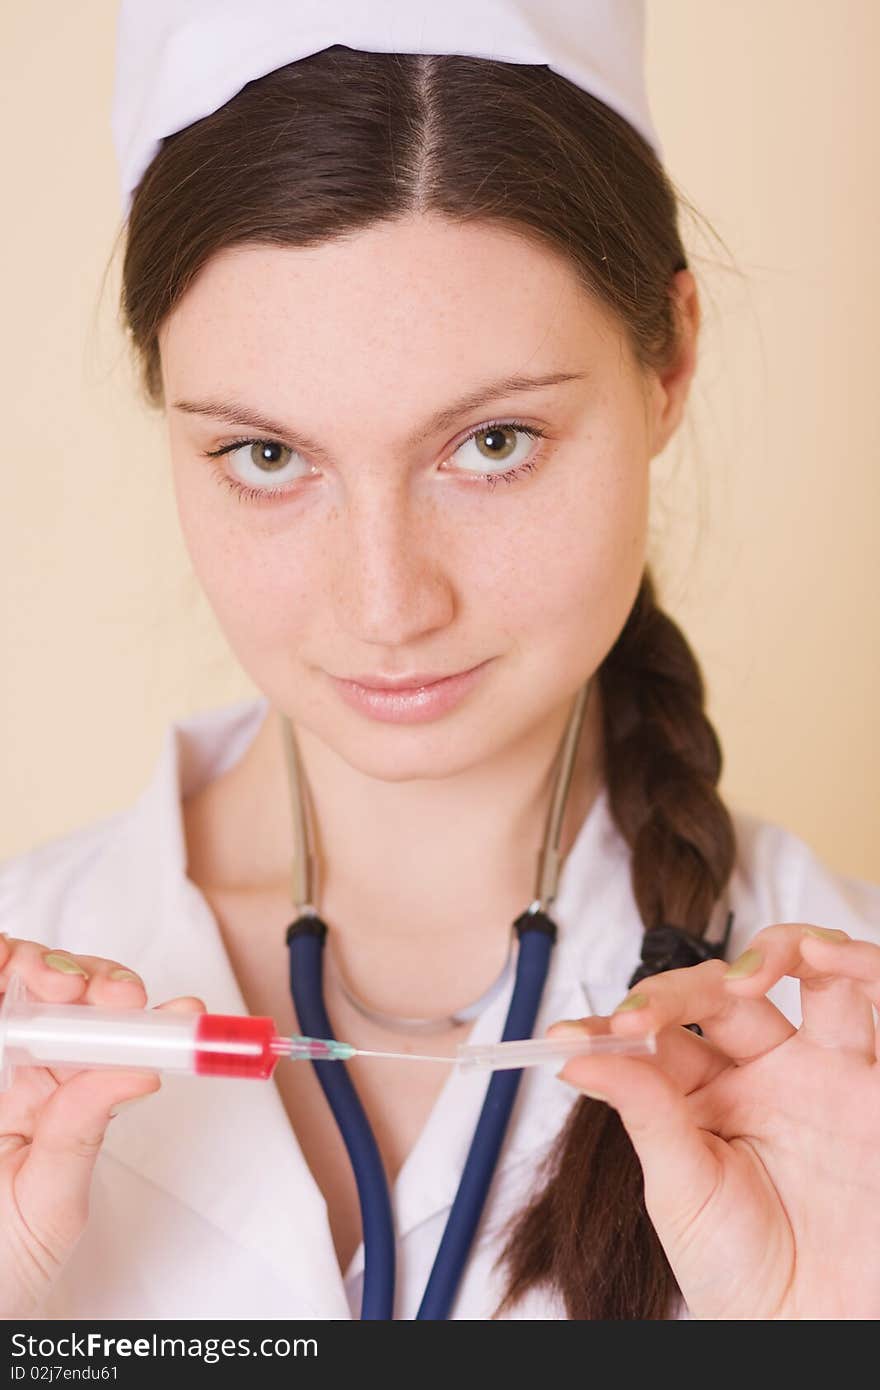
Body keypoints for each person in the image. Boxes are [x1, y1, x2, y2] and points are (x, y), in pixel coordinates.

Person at [1, 25, 879, 1324]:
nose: (386, 603)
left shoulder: (844, 1037)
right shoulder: (32, 1009)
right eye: (266, 457)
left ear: (670, 358)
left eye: (494, 440)